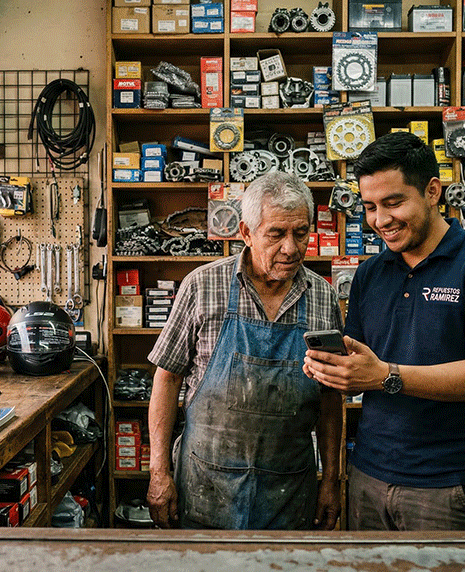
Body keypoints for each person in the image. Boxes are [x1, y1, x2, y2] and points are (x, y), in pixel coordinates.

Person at [303, 132, 465, 531]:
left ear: (432, 191)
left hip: (448, 486)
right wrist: (334, 369)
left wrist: (385, 376)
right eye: (369, 207)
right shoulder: (371, 272)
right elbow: (361, 365)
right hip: (368, 476)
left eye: (393, 202)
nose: (380, 220)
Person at [147, 172, 344, 531]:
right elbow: (167, 378)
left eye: (301, 233)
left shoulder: (322, 295)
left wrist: (331, 479)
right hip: (206, 483)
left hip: (289, 487)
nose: (291, 248)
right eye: (276, 234)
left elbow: (331, 398)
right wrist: (159, 472)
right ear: (246, 232)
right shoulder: (202, 286)